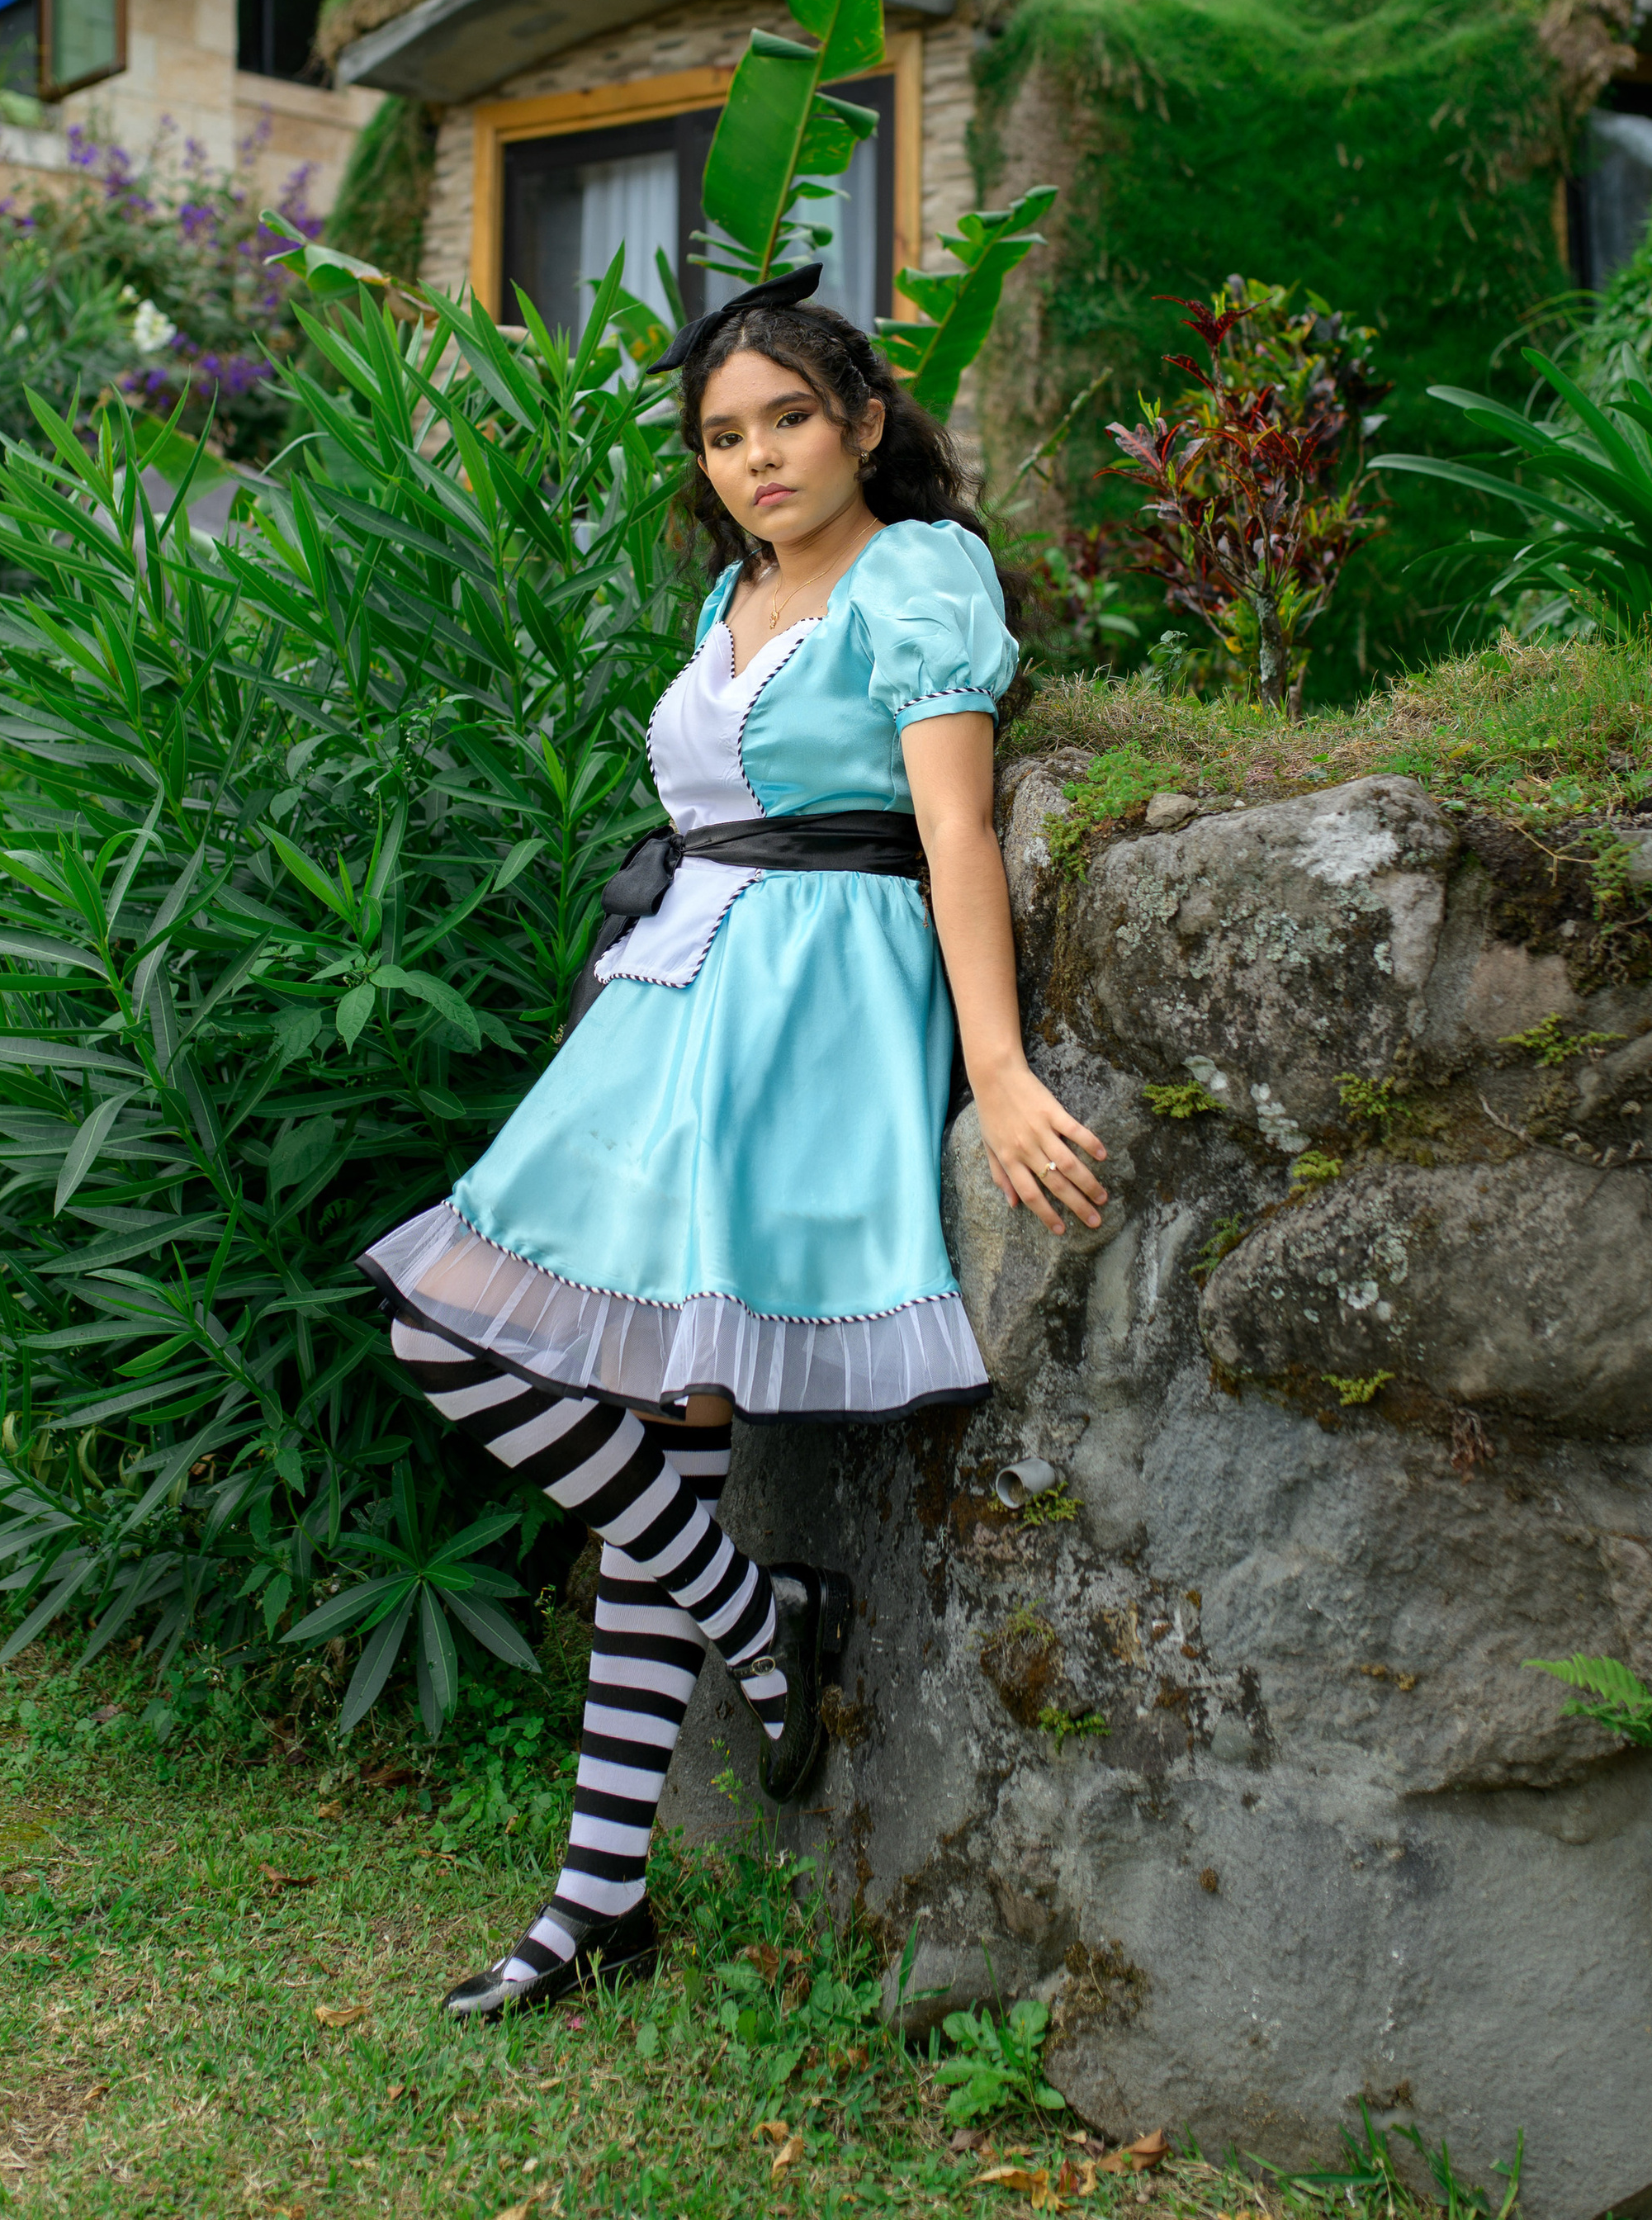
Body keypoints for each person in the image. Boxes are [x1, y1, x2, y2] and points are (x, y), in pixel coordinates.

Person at [359, 260, 1109, 2019]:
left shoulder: (916, 572)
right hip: (675, 1003)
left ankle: (691, 1710)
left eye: (788, 419)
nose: (757, 457)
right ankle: (623, 1857)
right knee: (505, 1357)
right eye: (721, 435)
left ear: (862, 423)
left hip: (810, 1006)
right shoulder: (737, 592)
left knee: (568, 1384)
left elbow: (952, 832)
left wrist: (996, 1066)